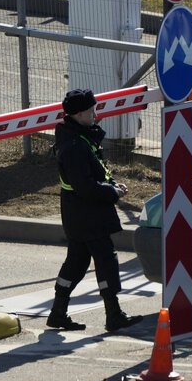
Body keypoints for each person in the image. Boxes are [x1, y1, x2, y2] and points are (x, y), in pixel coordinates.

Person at [46, 88, 144, 332]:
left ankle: (58, 312)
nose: (95, 113)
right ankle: (114, 315)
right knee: (106, 261)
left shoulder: (79, 137)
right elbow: (85, 186)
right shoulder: (75, 144)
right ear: (79, 113)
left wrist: (112, 184)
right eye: (92, 110)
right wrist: (113, 192)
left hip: (79, 213)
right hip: (87, 215)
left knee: (77, 263)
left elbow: (94, 173)